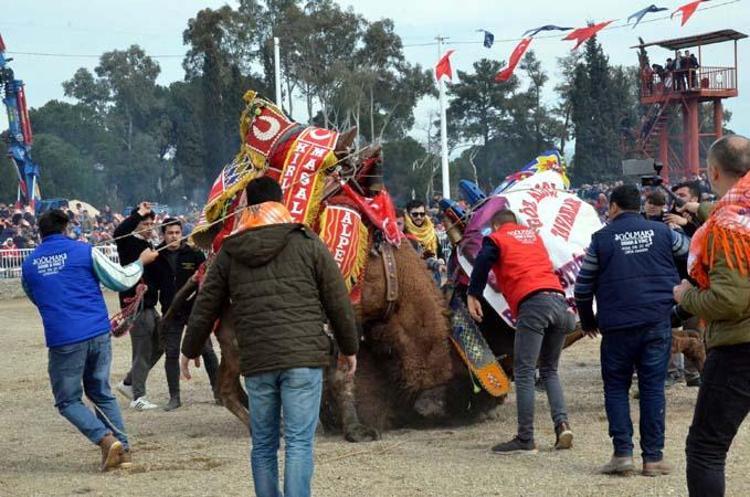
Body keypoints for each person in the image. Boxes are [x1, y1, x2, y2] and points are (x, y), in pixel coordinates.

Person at [180, 177, 359, 497]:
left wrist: (189, 348)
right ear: (280, 202)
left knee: (263, 445)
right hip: (303, 359)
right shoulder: (307, 241)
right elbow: (337, 299)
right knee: (299, 443)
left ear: (248, 205)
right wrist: (349, 347)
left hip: (258, 362)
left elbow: (206, 304)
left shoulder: (230, 250)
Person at [21, 209, 159, 471]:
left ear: (40, 232)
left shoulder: (29, 265)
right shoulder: (85, 251)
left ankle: (106, 440)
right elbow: (120, 280)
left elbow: (36, 297)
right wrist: (141, 262)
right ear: (66, 228)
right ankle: (123, 450)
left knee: (67, 401)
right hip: (97, 332)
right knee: (101, 393)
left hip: (64, 338)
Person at [574, 184, 689, 476]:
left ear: (613, 207)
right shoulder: (664, 233)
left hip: (617, 326)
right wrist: (683, 302)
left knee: (616, 387)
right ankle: (653, 458)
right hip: (656, 320)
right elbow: (692, 252)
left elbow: (583, 286)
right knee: (653, 389)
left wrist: (588, 320)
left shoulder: (601, 239)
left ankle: (622, 455)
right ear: (638, 206)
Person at [673, 135, 750, 497]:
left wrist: (686, 295)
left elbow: (728, 300)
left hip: (739, 348)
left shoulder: (726, 228)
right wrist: (700, 208)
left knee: (705, 448)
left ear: (714, 172)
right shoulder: (734, 213)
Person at [467, 209, 575, 455]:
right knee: (549, 370)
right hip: (559, 302)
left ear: (496, 226)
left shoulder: (497, 238)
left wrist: (473, 293)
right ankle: (562, 426)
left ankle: (525, 438)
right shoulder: (534, 237)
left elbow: (483, 261)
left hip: (533, 304)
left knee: (524, 371)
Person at [152, 217, 219, 411]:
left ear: (182, 234)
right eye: (170, 233)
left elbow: (205, 279)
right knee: (171, 353)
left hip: (194, 311)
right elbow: (150, 283)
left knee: (207, 351)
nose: (174, 237)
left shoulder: (194, 253)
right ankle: (174, 397)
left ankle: (218, 392)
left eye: (177, 233)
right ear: (163, 235)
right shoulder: (156, 255)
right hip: (170, 312)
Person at [113, 202, 162, 410]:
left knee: (162, 342)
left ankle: (129, 382)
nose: (149, 227)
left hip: (150, 304)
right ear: (136, 225)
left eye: (151, 224)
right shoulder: (128, 242)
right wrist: (138, 214)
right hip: (136, 305)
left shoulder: (150, 245)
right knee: (142, 350)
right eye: (145, 224)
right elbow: (118, 232)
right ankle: (138, 397)